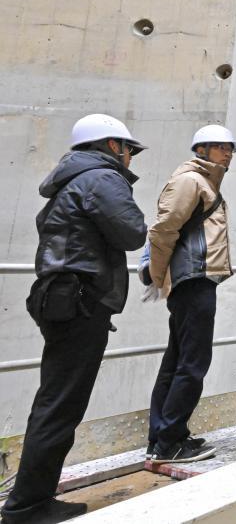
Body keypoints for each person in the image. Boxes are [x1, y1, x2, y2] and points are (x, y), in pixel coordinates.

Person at [2, 115, 147, 524]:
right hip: (81, 301)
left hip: (62, 299)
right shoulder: (102, 178)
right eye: (128, 149)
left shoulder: (70, 180)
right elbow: (133, 232)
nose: (131, 157)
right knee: (61, 404)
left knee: (55, 400)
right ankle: (27, 506)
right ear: (110, 145)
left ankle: (32, 499)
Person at [142, 125, 236, 464]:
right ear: (203, 149)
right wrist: (158, 276)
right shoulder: (191, 181)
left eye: (230, 148)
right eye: (221, 147)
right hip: (193, 280)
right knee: (193, 363)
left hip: (194, 280)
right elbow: (163, 230)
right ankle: (169, 441)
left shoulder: (206, 182)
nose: (228, 153)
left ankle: (164, 436)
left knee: (177, 361)